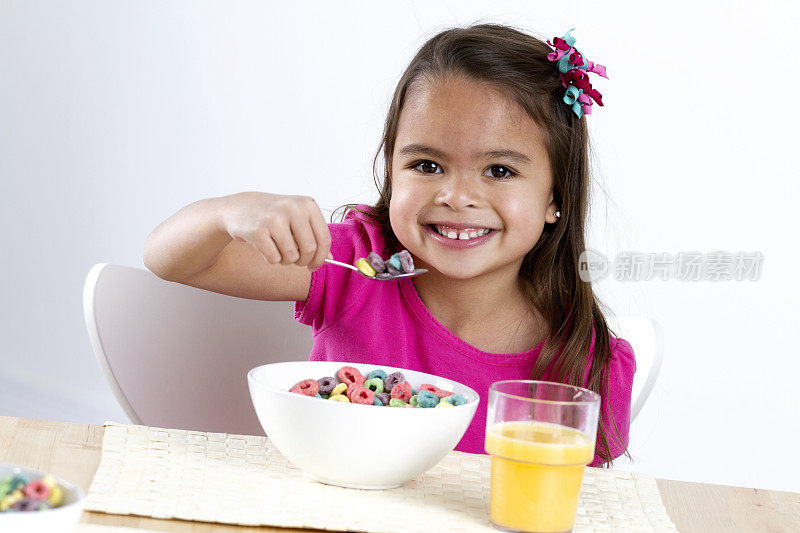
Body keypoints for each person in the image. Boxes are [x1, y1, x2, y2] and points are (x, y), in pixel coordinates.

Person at [143, 23, 635, 467]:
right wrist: (232, 213)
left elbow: (577, 505)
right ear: (391, 168)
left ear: (556, 197)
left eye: (499, 171)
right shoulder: (355, 266)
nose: (456, 197)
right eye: (426, 165)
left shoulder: (585, 365)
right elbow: (168, 260)